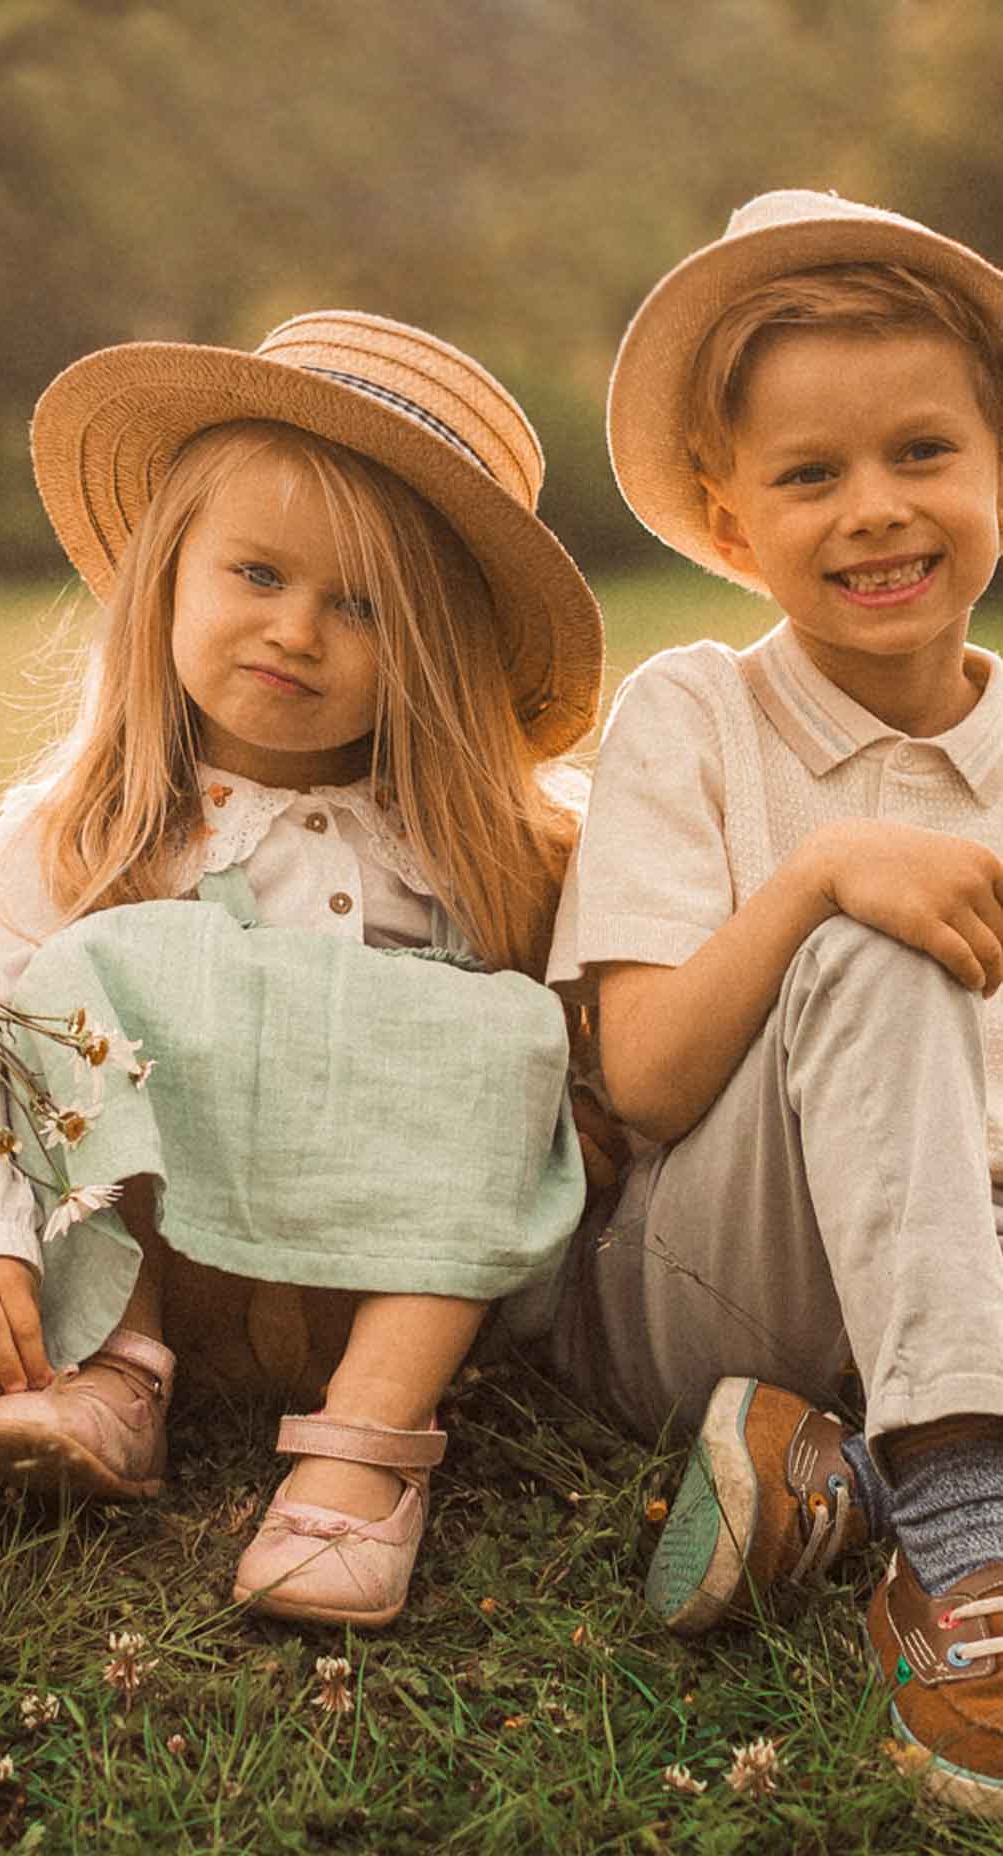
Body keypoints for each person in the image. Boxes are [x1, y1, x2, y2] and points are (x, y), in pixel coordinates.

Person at [0, 311, 605, 1628]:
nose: (296, 632)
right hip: (151, 1284)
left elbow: (600, 1056)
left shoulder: (490, 856)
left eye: (361, 606)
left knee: (501, 1036)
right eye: (256, 573)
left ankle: (362, 1456)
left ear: (434, 652)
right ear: (170, 577)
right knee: (107, 970)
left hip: (382, 1301)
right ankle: (118, 1376)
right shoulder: (79, 833)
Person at [547, 188, 1003, 1815]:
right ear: (733, 526)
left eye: (921, 455)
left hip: (956, 1272)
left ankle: (823, 1477)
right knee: (882, 944)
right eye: (809, 476)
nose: (874, 511)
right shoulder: (693, 713)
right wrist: (824, 876)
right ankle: (959, 1539)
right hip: (704, 1271)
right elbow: (650, 1079)